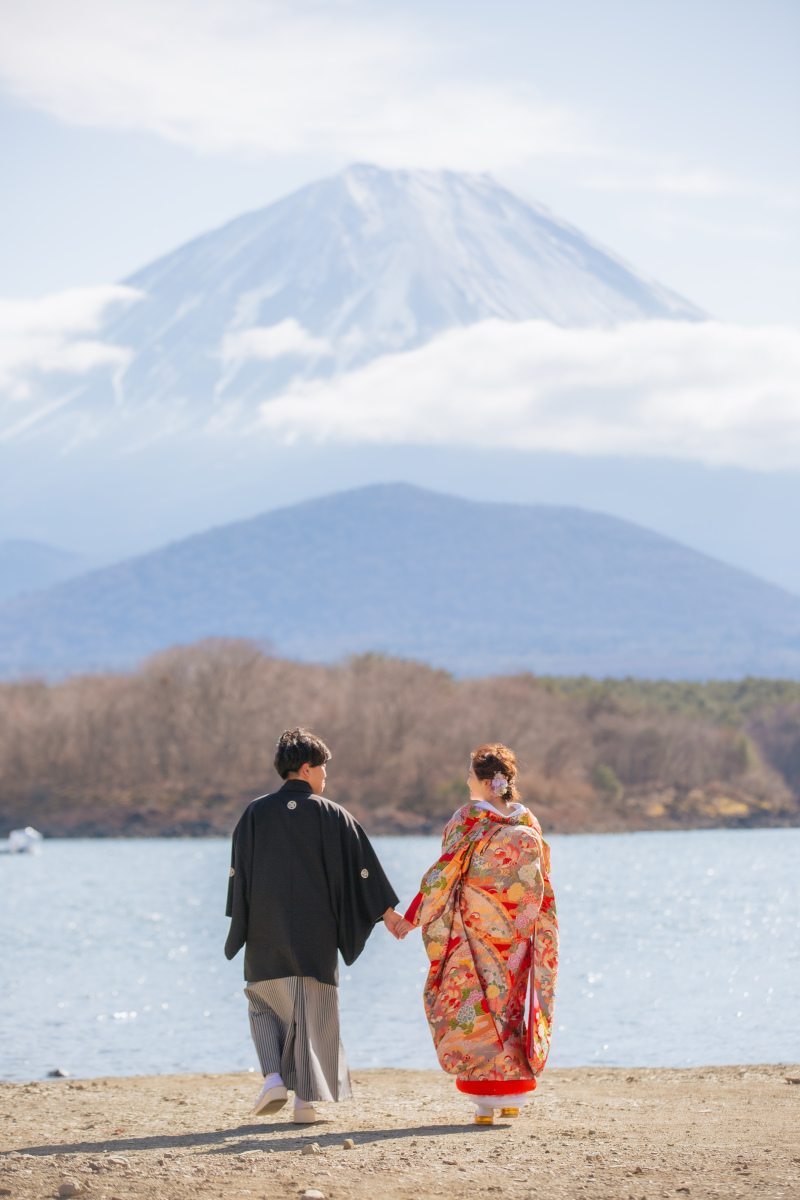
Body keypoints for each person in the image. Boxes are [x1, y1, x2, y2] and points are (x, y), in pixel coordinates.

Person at [225, 727, 405, 1124]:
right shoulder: (332, 815)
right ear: (307, 769)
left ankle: (273, 1077)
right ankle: (304, 1104)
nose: (326, 777)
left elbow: (240, 876)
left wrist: (241, 925)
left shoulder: (255, 812)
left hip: (263, 931)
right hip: (314, 935)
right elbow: (363, 872)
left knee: (263, 1004)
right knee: (311, 1011)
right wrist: (388, 913)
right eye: (323, 769)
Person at [398, 743, 558, 1125]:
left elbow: (445, 871)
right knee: (513, 1003)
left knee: (477, 998)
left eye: (471, 775)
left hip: (477, 927)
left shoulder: (470, 818)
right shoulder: (528, 821)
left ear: (487, 782)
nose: (467, 781)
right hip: (519, 931)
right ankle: (513, 1093)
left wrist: (413, 915)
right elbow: (542, 874)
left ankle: (486, 1102)